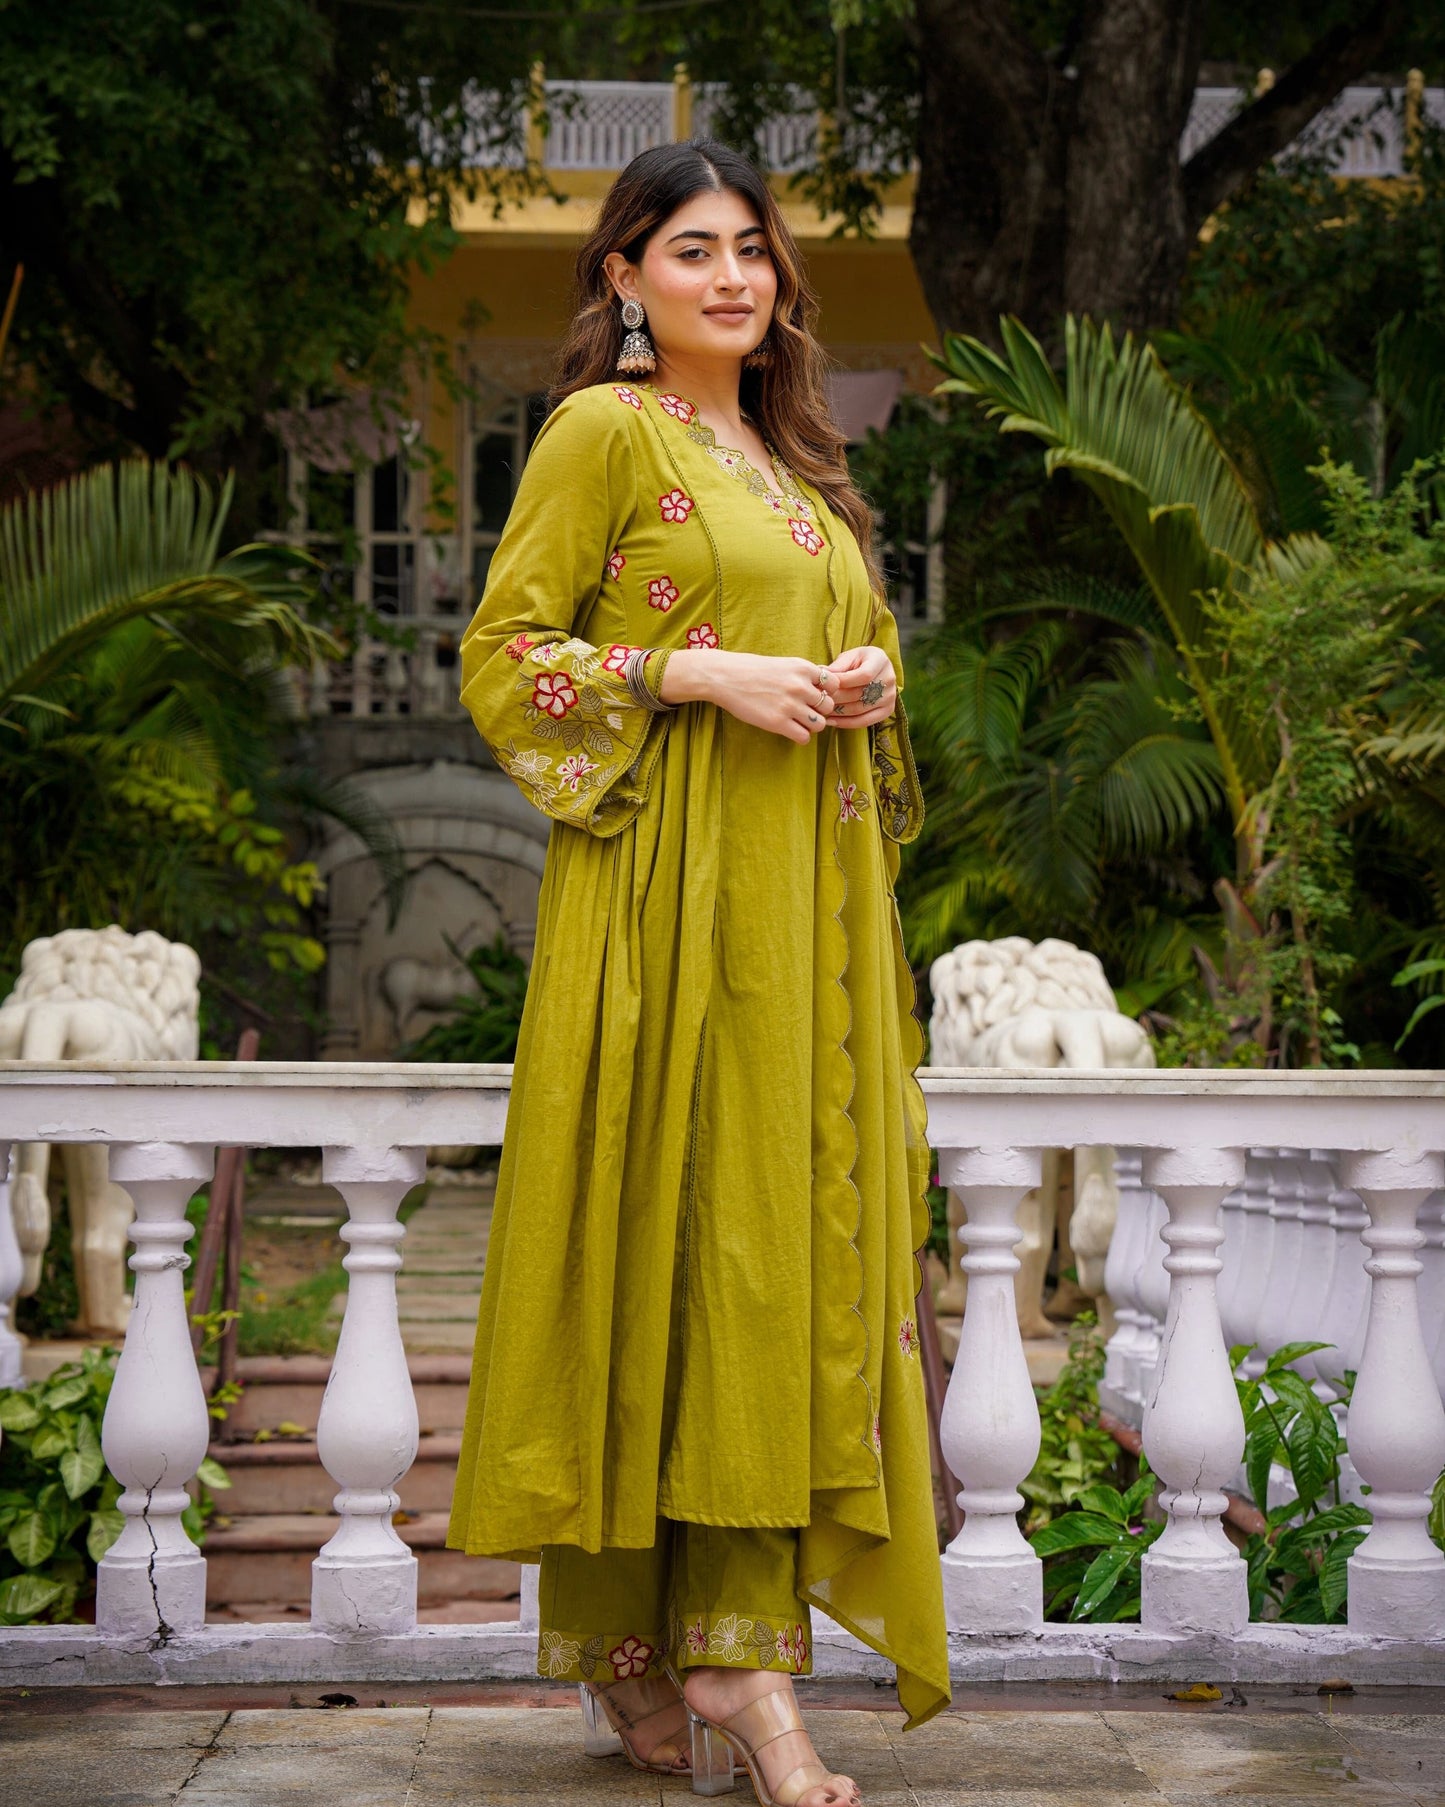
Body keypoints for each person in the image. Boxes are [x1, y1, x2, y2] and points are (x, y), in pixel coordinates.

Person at [447, 136, 949, 1807]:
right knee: (686, 1246)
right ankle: (723, 1664)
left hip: (796, 923)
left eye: (750, 248)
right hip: (664, 913)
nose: (731, 275)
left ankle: (671, 1656)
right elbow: (506, 655)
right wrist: (693, 671)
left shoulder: (796, 463)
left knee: (767, 1255)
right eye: (688, 250)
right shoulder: (606, 432)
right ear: (622, 277)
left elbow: (809, 669)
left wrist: (856, 677)